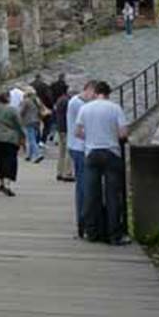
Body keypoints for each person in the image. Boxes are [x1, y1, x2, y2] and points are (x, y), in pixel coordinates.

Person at [75, 80, 130, 245]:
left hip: (91, 153)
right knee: (113, 195)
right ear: (108, 93)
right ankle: (114, 234)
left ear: (96, 92)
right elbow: (123, 133)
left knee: (92, 194)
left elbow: (78, 132)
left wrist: (91, 137)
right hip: (111, 152)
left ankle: (92, 231)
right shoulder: (115, 108)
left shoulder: (85, 108)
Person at [66, 81, 97, 237]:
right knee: (85, 187)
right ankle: (84, 223)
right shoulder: (79, 104)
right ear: (89, 90)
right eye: (94, 95)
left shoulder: (77, 103)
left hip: (76, 147)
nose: (95, 99)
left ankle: (84, 222)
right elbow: (84, 127)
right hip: (79, 148)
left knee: (83, 186)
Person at [0, 90, 25, 196]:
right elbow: (19, 125)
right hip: (10, 139)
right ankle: (7, 184)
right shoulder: (13, 110)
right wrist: (22, 136)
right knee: (10, 160)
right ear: (8, 99)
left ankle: (1, 182)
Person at [19, 85, 44, 163]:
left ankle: (38, 154)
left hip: (28, 121)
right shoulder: (37, 100)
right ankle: (29, 155)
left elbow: (21, 111)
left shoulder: (26, 101)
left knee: (31, 139)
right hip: (37, 121)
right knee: (32, 137)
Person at [55, 85, 74, 182]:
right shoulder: (68, 102)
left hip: (60, 128)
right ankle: (68, 172)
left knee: (61, 152)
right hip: (66, 128)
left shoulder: (59, 100)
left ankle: (59, 171)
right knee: (68, 151)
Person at [32, 73, 56, 144]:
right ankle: (43, 140)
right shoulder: (44, 86)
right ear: (41, 78)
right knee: (47, 124)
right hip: (44, 108)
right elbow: (49, 96)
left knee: (36, 125)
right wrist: (51, 106)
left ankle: (37, 139)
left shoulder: (30, 85)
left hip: (33, 108)